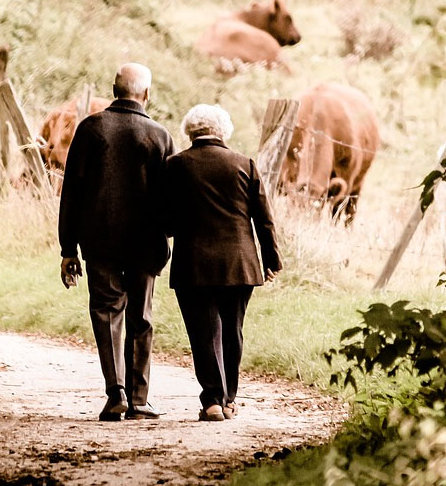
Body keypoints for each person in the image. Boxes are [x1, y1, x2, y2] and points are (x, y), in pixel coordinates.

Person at [58, 63, 175, 421]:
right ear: (147, 94)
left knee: (107, 314)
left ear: (113, 89)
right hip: (146, 243)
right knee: (141, 316)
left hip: (100, 241)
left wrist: (68, 249)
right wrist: (167, 234)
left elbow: (71, 193)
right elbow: (169, 196)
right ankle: (140, 399)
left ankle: (116, 393)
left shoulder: (91, 129)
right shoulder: (159, 135)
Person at [165, 104, 281, 421]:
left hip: (194, 264)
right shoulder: (245, 164)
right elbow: (264, 219)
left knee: (204, 333)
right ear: (223, 131)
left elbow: (167, 219)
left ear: (190, 130)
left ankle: (212, 400)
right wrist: (271, 259)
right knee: (233, 330)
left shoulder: (176, 165)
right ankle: (229, 399)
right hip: (241, 263)